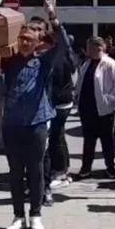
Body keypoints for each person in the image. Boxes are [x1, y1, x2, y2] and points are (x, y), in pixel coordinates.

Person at [1, 5, 69, 229]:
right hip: (12, 124)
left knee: (36, 170)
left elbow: (63, 44)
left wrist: (53, 18)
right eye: (21, 38)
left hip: (36, 123)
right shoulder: (8, 61)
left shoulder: (43, 62)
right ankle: (18, 216)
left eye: (29, 39)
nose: (24, 42)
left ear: (38, 42)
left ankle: (36, 215)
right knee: (15, 172)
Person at [72, 36, 115, 180]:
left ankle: (110, 168)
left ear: (99, 48)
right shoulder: (87, 63)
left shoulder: (110, 64)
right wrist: (76, 94)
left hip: (104, 109)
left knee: (107, 140)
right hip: (87, 108)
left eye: (90, 47)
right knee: (88, 141)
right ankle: (86, 168)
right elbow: (81, 81)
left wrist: (110, 97)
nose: (87, 50)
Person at [43, 27, 76, 203]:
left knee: (55, 139)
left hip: (57, 103)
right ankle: (62, 169)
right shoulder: (66, 56)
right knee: (59, 137)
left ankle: (59, 172)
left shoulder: (54, 59)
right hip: (64, 102)